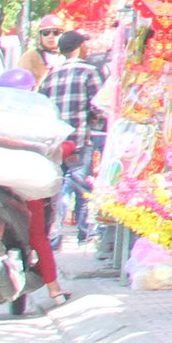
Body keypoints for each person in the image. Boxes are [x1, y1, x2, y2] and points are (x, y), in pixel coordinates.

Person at [36, 33, 106, 240]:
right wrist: (94, 118)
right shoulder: (89, 72)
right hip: (78, 139)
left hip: (55, 141)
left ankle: (53, 235)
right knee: (82, 186)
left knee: (57, 187)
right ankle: (86, 233)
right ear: (80, 46)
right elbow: (100, 106)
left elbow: (42, 104)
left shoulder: (52, 73)